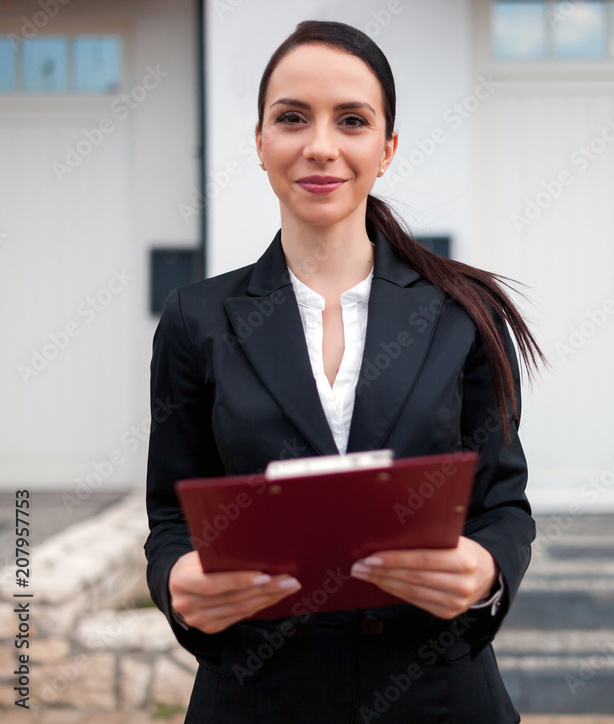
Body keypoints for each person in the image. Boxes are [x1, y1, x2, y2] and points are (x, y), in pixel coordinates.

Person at [143, 19, 545, 723]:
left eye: (352, 120)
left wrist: (484, 571)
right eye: (292, 118)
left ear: (386, 149)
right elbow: (172, 515)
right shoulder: (194, 319)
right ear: (261, 142)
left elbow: (502, 506)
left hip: (438, 696)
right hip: (257, 695)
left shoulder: (463, 313)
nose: (320, 146)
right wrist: (177, 577)